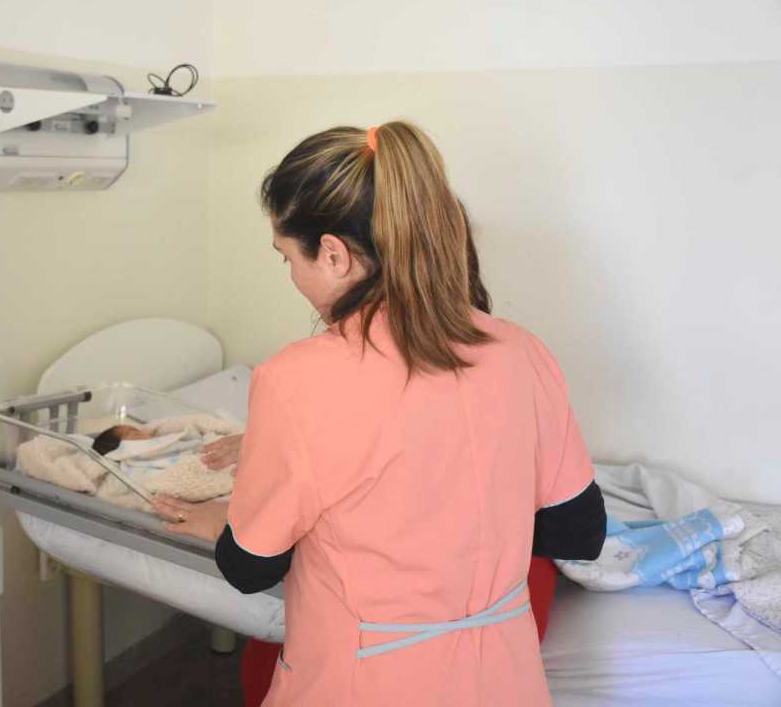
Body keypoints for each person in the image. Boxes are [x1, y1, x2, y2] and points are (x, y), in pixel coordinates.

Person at [153, 122, 605, 706]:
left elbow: (250, 568)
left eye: (287, 257)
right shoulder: (521, 350)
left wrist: (223, 520)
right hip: (506, 681)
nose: (291, 275)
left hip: (363, 682)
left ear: (334, 254)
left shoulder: (295, 379)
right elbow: (578, 531)